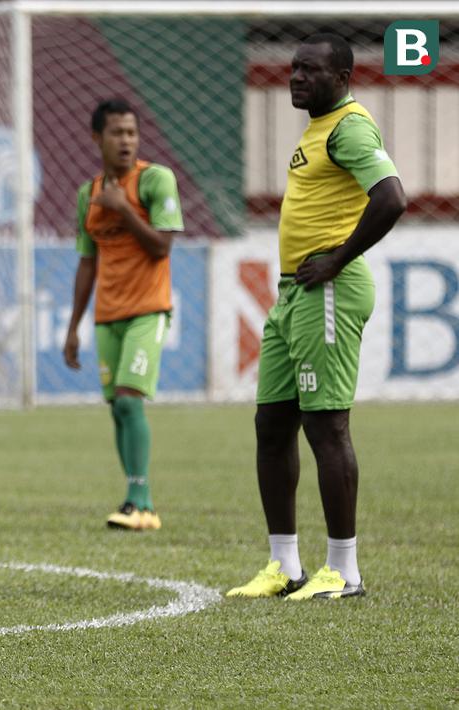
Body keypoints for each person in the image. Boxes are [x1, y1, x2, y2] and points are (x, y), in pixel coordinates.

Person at [227, 33, 405, 600]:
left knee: (326, 426)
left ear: (344, 76)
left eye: (310, 69)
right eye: (293, 68)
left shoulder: (350, 126)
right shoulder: (317, 130)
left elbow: (392, 196)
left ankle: (344, 570)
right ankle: (284, 565)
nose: (296, 77)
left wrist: (337, 259)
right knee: (271, 425)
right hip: (292, 294)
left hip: (326, 289)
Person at [62, 98, 184, 531]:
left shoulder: (155, 181)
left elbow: (162, 246)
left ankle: (141, 502)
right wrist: (73, 326)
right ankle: (136, 498)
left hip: (148, 310)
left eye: (132, 133)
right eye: (117, 133)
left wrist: (124, 210)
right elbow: (87, 261)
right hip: (107, 315)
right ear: (97, 138)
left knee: (130, 401)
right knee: (117, 407)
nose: (127, 141)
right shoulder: (88, 195)